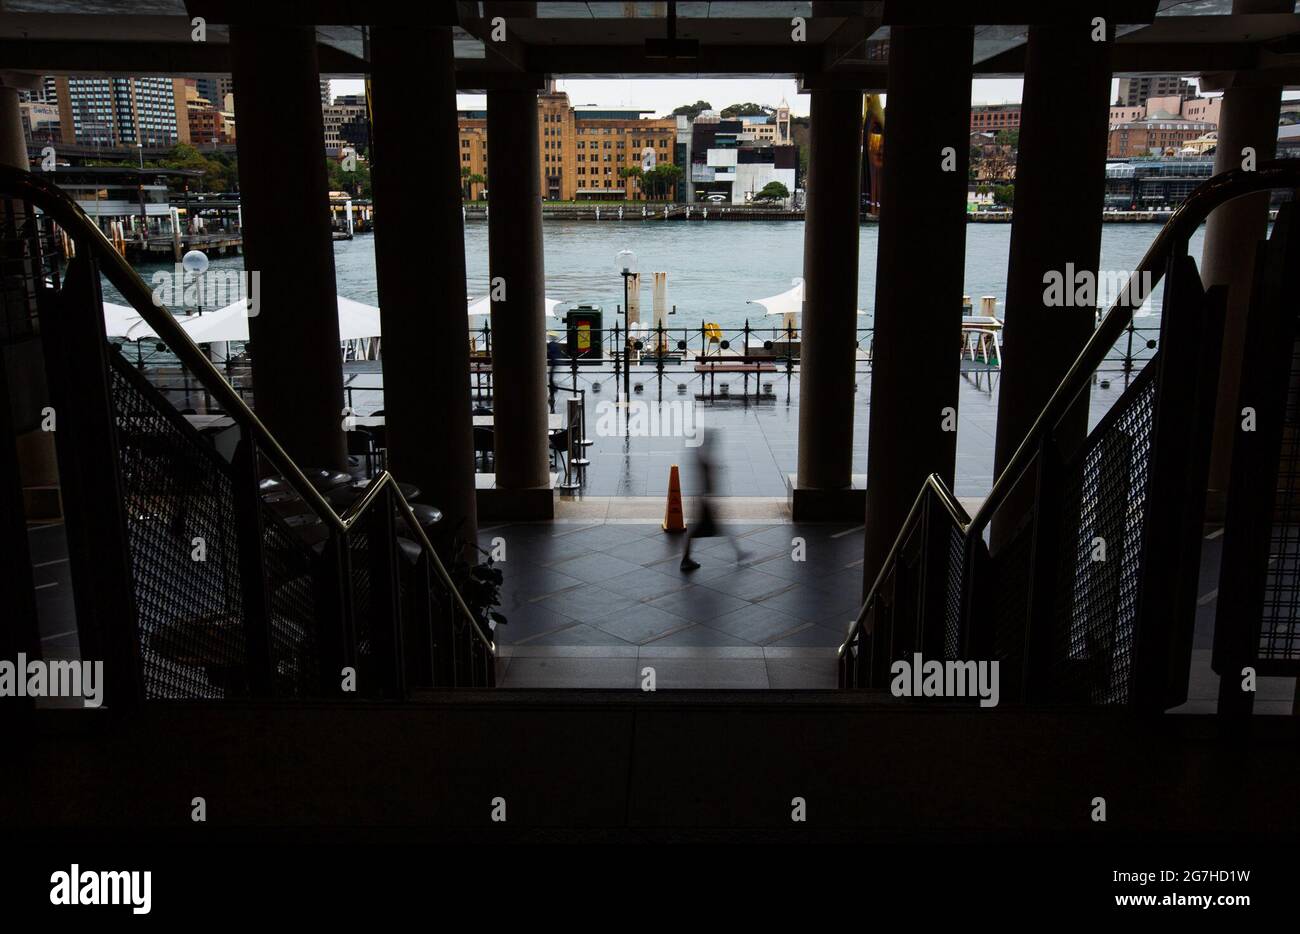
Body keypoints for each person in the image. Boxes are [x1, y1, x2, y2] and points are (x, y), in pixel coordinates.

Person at [680, 433, 746, 572]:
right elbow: (707, 481)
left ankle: (686, 558)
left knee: (703, 529)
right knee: (713, 528)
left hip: (704, 500)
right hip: (706, 501)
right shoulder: (705, 461)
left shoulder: (703, 459)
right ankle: (739, 553)